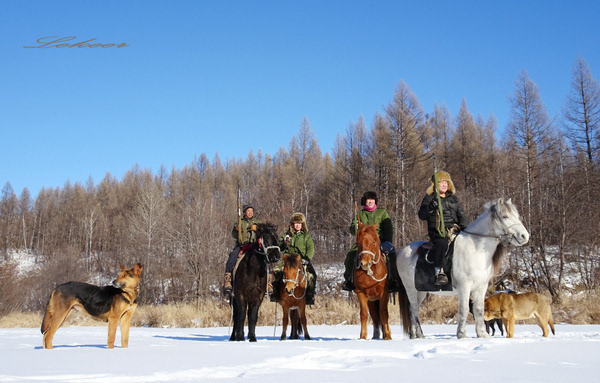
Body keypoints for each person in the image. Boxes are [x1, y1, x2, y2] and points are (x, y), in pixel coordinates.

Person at [418, 171, 468, 286]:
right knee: (442, 241)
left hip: (454, 229)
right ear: (435, 185)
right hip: (437, 231)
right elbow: (422, 215)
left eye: (446, 182)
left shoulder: (453, 199)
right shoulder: (429, 198)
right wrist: (430, 207)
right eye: (441, 182)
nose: (444, 185)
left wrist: (464, 225)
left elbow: (461, 214)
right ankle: (439, 272)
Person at [342, 191, 395, 291]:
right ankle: (349, 280)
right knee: (350, 256)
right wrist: (355, 227)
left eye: (372, 199)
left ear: (375, 201)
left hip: (380, 242)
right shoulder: (360, 214)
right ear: (364, 201)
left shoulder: (382, 213)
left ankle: (393, 280)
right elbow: (353, 230)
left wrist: (388, 241)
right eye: (368, 200)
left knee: (392, 254)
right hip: (363, 244)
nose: (370, 201)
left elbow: (388, 228)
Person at [271, 212, 317, 305]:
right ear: (292, 224)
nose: (297, 225)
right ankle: (276, 294)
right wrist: (284, 242)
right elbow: (281, 247)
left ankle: (309, 296)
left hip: (301, 259)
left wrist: (307, 259)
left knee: (312, 275)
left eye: (299, 223)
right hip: (287, 259)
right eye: (295, 223)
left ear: (302, 224)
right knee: (275, 271)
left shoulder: (306, 236)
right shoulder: (287, 235)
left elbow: (310, 248)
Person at [222, 204, 260, 296]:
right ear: (244, 213)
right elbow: (234, 235)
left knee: (265, 259)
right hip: (241, 245)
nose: (250, 212)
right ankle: (228, 280)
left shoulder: (257, 222)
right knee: (232, 257)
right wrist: (236, 230)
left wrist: (257, 229)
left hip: (254, 245)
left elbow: (263, 232)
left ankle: (269, 282)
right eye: (248, 211)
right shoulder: (239, 222)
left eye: (252, 211)